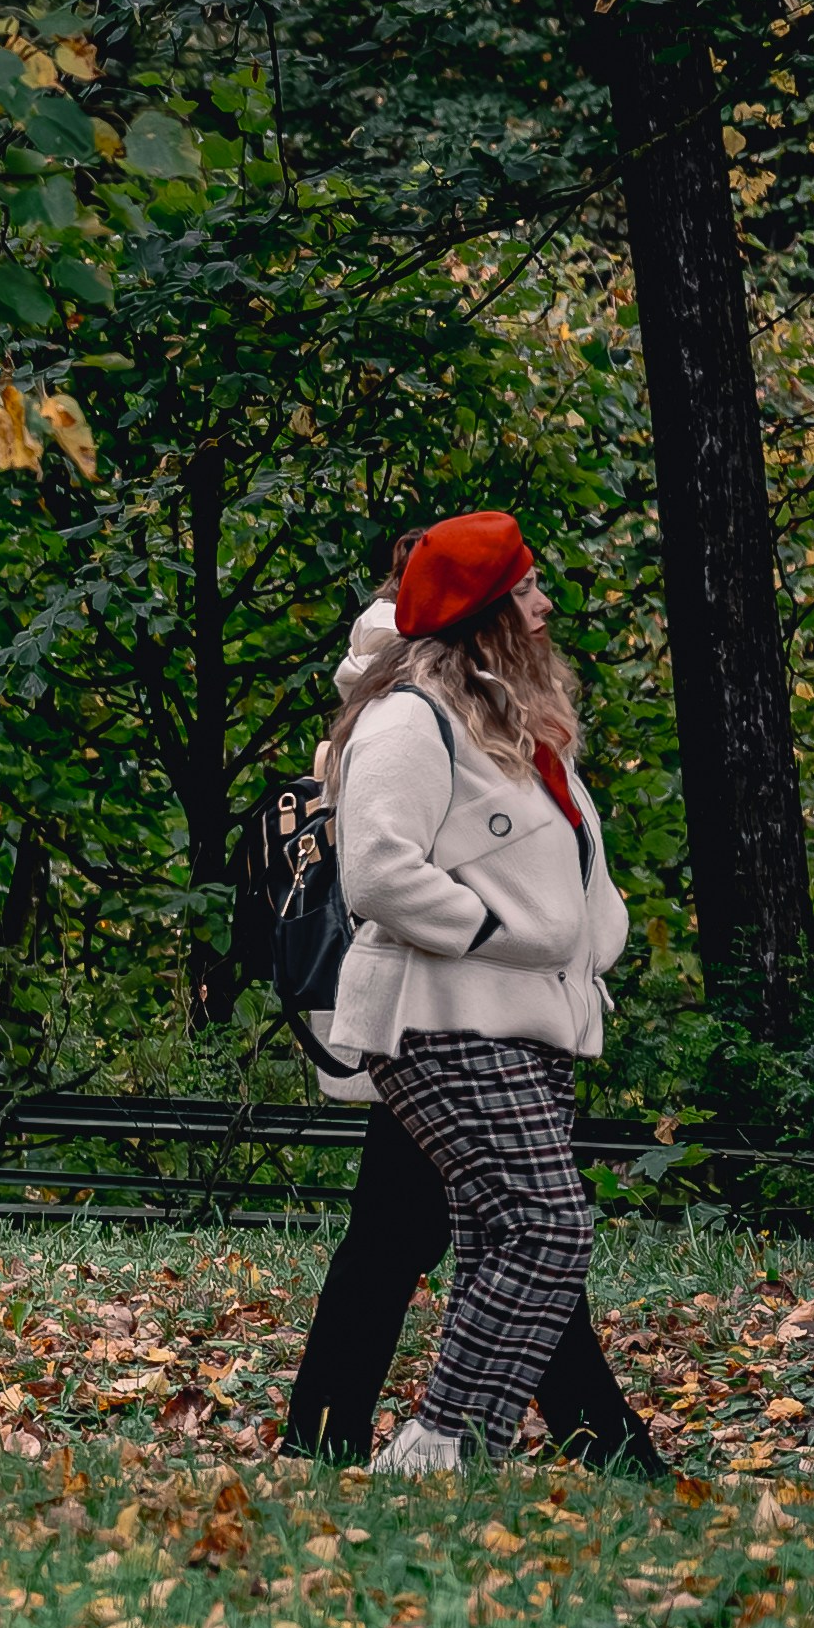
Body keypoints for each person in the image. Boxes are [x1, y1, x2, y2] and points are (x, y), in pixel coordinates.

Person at [275, 586, 668, 1474]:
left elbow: (562, 856)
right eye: (522, 587)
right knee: (521, 1231)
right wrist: (497, 934)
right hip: (448, 1013)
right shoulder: (413, 712)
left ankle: (397, 1442)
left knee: (477, 1233)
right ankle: (513, 1445)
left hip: (513, 1010)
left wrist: (582, 941)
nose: (542, 604)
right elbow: (384, 871)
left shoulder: (502, 702)